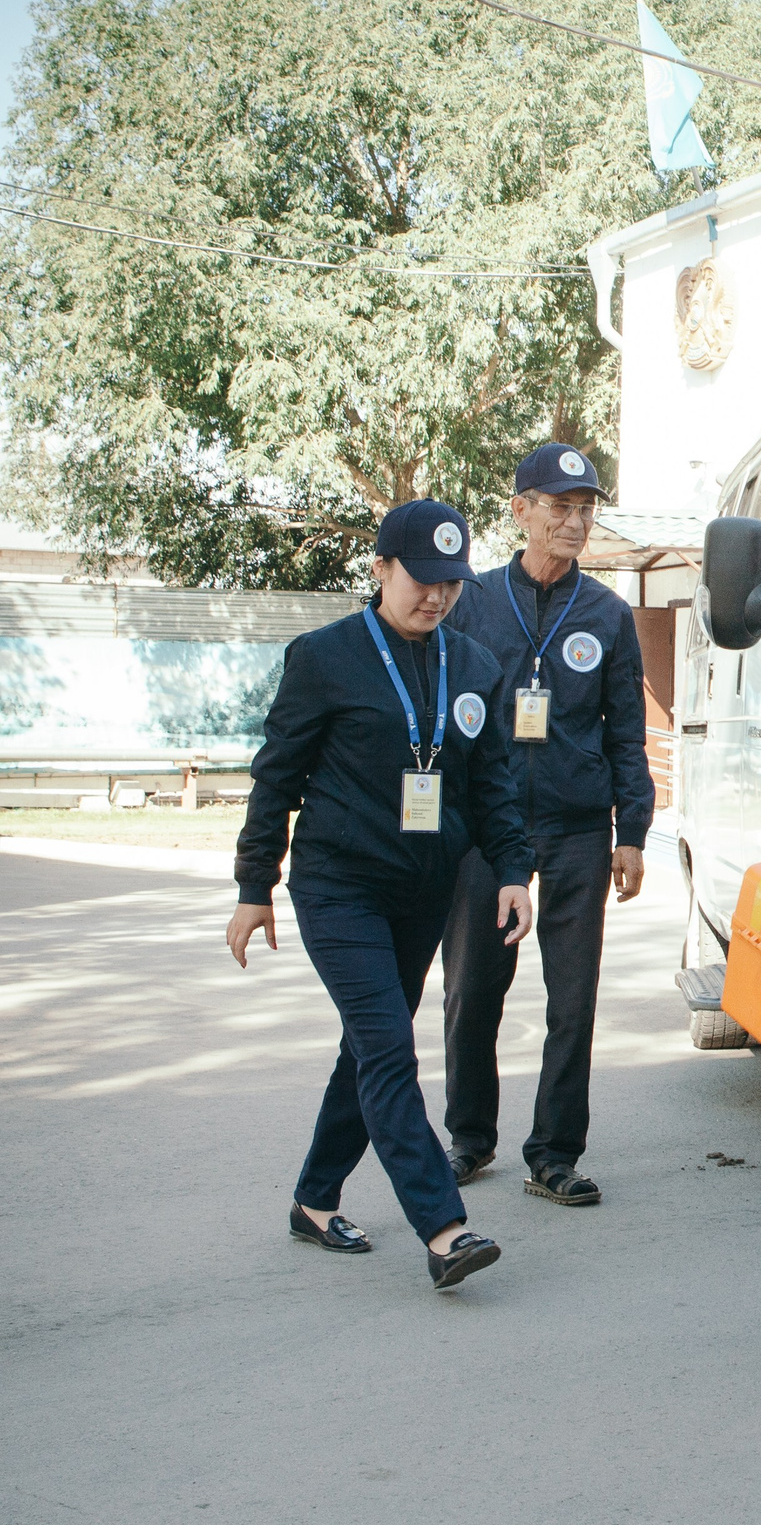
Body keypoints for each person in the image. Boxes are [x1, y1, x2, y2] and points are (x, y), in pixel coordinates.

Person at [226, 500, 537, 1292]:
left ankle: (314, 1200)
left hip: (422, 893)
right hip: (339, 888)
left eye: (451, 584)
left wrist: (511, 869)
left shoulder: (472, 666)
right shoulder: (325, 657)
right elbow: (277, 777)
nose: (436, 598)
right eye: (421, 580)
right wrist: (253, 884)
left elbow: (492, 780)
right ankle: (444, 1229)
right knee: (390, 1047)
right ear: (380, 571)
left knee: (369, 1045)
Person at [439, 443, 654, 1206]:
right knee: (473, 988)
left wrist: (631, 829)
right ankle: (468, 1139)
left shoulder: (605, 613)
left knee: (573, 996)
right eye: (560, 507)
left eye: (586, 509)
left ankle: (555, 1153)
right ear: (520, 510)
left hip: (573, 826)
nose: (575, 521)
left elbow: (625, 727)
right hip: (485, 827)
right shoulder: (471, 601)